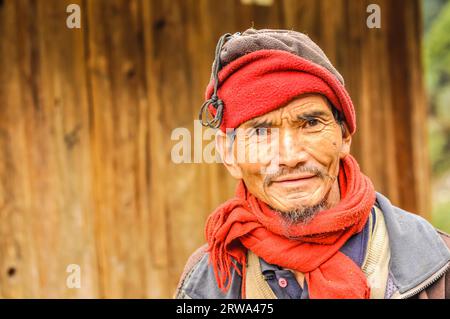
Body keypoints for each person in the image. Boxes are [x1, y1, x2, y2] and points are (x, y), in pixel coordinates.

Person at [175, 28, 450, 299]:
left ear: (344, 135)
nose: (291, 156)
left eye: (310, 123)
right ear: (229, 153)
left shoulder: (436, 263)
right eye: (260, 132)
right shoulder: (208, 282)